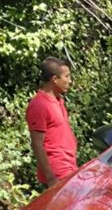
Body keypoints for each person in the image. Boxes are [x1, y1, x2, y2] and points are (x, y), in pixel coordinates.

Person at [26, 56, 78, 188]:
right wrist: (50, 178)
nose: (70, 81)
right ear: (55, 79)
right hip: (57, 174)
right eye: (67, 77)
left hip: (69, 168)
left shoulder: (58, 101)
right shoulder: (39, 105)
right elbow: (37, 144)